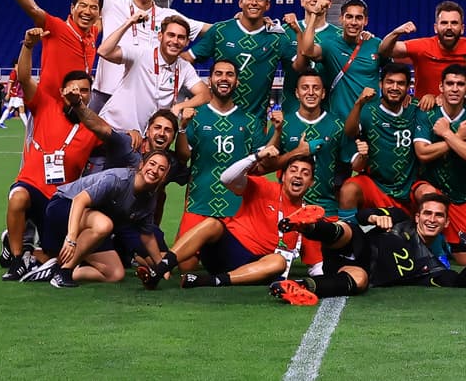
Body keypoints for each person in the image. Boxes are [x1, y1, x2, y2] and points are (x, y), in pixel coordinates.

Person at [269, 193, 466, 303]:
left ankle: (300, 288)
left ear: (446, 223)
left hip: (353, 269)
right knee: (347, 231)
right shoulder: (400, 218)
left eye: (439, 216)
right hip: (354, 243)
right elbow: (362, 214)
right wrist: (374, 218)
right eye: (427, 214)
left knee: (360, 281)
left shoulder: (431, 266)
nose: (432, 219)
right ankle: (305, 225)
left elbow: (456, 282)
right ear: (418, 216)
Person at [139, 147, 323, 290]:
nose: (298, 175)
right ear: (282, 175)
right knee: (213, 224)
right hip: (227, 248)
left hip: (257, 266)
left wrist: (322, 284)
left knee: (278, 262)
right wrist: (256, 157)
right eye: (293, 170)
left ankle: (208, 281)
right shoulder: (264, 187)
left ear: (311, 183)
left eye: (305, 173)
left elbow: (316, 266)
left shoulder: (308, 216)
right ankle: (159, 270)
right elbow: (227, 178)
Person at [0, 32, 103, 281]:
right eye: (74, 88)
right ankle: (16, 260)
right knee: (17, 197)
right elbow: (23, 78)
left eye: (86, 90)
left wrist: (132, 133)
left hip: (60, 198)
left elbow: (115, 140)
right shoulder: (46, 105)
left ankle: (27, 251)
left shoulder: (94, 126)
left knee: (57, 254)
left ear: (91, 95)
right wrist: (28, 46)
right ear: (62, 90)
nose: (80, 93)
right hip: (33, 186)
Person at [69, 0, 207, 113]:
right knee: (91, 139)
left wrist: (237, 21)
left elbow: (209, 29)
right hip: (106, 93)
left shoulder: (169, 16)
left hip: (141, 97)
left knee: (139, 140)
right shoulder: (113, 3)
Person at [26, 150, 174, 288]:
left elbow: (147, 236)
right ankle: (64, 271)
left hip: (94, 222)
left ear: (165, 175)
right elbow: (79, 200)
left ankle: (55, 270)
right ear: (141, 164)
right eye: (152, 164)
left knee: (115, 274)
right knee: (105, 225)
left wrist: (163, 268)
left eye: (161, 169)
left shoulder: (150, 198)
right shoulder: (118, 179)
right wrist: (71, 238)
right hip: (65, 206)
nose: (154, 171)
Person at [175, 60, 266, 245]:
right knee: (185, 265)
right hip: (200, 202)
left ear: (237, 82)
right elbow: (183, 157)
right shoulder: (195, 116)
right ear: (210, 80)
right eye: (219, 74)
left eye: (230, 74)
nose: (224, 78)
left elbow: (261, 166)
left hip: (238, 207)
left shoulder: (251, 121)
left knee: (232, 263)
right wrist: (182, 128)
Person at [185, 0, 297, 126]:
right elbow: (187, 58)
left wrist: (298, 32)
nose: (254, 2)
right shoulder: (220, 31)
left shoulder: (277, 38)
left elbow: (301, 67)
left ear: (267, 5)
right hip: (216, 121)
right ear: (240, 2)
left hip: (254, 124)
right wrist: (198, 88)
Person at [340, 65, 436, 224]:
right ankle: (350, 240)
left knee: (429, 193)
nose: (394, 87)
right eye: (390, 82)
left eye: (400, 83)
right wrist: (358, 103)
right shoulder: (368, 110)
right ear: (381, 84)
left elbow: (444, 108)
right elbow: (350, 131)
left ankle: (429, 246)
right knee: (348, 190)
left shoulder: (417, 109)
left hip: (409, 185)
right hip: (377, 185)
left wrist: (434, 97)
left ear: (408, 87)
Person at [414, 65, 466, 264]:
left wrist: (447, 134)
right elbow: (422, 153)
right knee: (426, 193)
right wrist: (459, 138)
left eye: (460, 84)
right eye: (450, 84)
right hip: (430, 185)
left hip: (459, 195)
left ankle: (445, 244)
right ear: (441, 87)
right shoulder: (427, 114)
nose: (455, 89)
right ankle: (436, 252)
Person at [95, 12, 209, 137]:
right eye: (171, 35)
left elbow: (205, 94)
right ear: (160, 36)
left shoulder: (184, 67)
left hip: (144, 138)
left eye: (181, 37)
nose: (175, 41)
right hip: (113, 128)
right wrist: (129, 23)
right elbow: (103, 51)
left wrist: (180, 106)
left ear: (187, 42)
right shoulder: (141, 53)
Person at [377, 1, 466, 103]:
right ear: (435, 27)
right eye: (444, 23)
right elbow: (385, 51)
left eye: (454, 23)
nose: (449, 27)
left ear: (462, 28)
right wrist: (396, 33)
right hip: (424, 113)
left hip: (458, 112)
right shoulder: (422, 46)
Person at [293, 0, 386, 120]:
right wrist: (314, 15)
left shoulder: (376, 45)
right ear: (341, 19)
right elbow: (307, 50)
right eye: (349, 17)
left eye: (359, 18)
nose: (353, 22)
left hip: (371, 123)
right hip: (339, 122)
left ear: (366, 21)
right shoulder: (330, 45)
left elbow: (392, 75)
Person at [275, 72, 350, 216]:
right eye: (305, 88)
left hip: (326, 206)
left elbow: (348, 165)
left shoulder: (337, 126)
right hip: (288, 205)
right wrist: (298, 152)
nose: (310, 92)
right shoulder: (284, 124)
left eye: (316, 88)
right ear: (297, 93)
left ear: (323, 93)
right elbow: (268, 165)